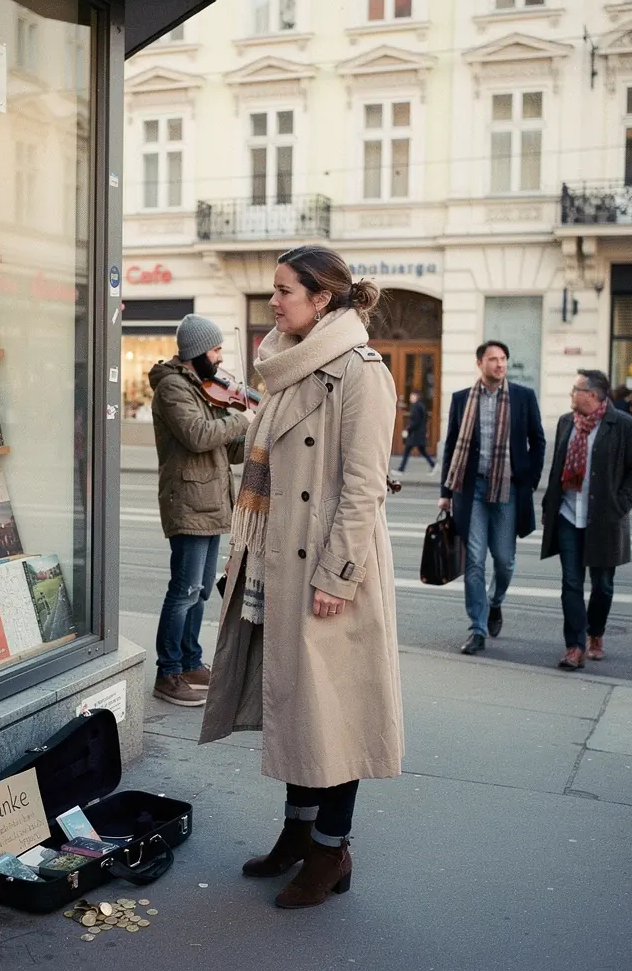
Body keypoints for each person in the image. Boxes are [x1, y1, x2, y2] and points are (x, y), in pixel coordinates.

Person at [200, 245, 402, 910]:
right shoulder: (287, 365)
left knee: (335, 714)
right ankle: (297, 832)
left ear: (323, 300)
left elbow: (363, 486)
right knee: (297, 708)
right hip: (276, 558)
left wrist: (338, 575)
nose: (273, 302)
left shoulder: (359, 372)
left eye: (285, 291)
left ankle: (330, 851)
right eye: (274, 291)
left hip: (326, 566)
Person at [148, 314, 250, 707]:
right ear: (196, 352)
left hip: (210, 501)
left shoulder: (205, 389)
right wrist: (241, 418)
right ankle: (168, 672)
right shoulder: (173, 388)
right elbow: (197, 436)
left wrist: (251, 434)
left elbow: (225, 450)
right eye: (216, 349)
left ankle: (190, 662)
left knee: (202, 591)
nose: (221, 358)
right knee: (184, 591)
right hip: (189, 501)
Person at [439, 341, 546, 655]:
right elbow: (451, 446)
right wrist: (445, 493)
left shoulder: (524, 397)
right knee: (474, 561)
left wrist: (528, 480)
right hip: (470, 490)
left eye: (503, 359)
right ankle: (478, 629)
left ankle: (495, 601)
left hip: (508, 490)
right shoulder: (462, 400)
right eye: (493, 359)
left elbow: (538, 442)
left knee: (504, 560)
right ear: (480, 363)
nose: (500, 365)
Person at [540, 369, 632, 669]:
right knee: (571, 583)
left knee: (603, 585)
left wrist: (620, 505)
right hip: (568, 515)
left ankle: (596, 632)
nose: (571, 394)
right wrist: (550, 507)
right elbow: (557, 469)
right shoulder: (566, 422)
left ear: (593, 395)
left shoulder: (623, 425)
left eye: (576, 389)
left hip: (605, 519)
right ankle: (574, 646)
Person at [397, 390, 436, 473]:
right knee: (421, 451)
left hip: (415, 433)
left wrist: (408, 429)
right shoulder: (421, 405)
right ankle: (433, 465)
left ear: (416, 396)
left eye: (412, 396)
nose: (410, 398)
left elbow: (415, 421)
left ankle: (401, 469)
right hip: (419, 433)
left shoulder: (415, 406)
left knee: (408, 450)